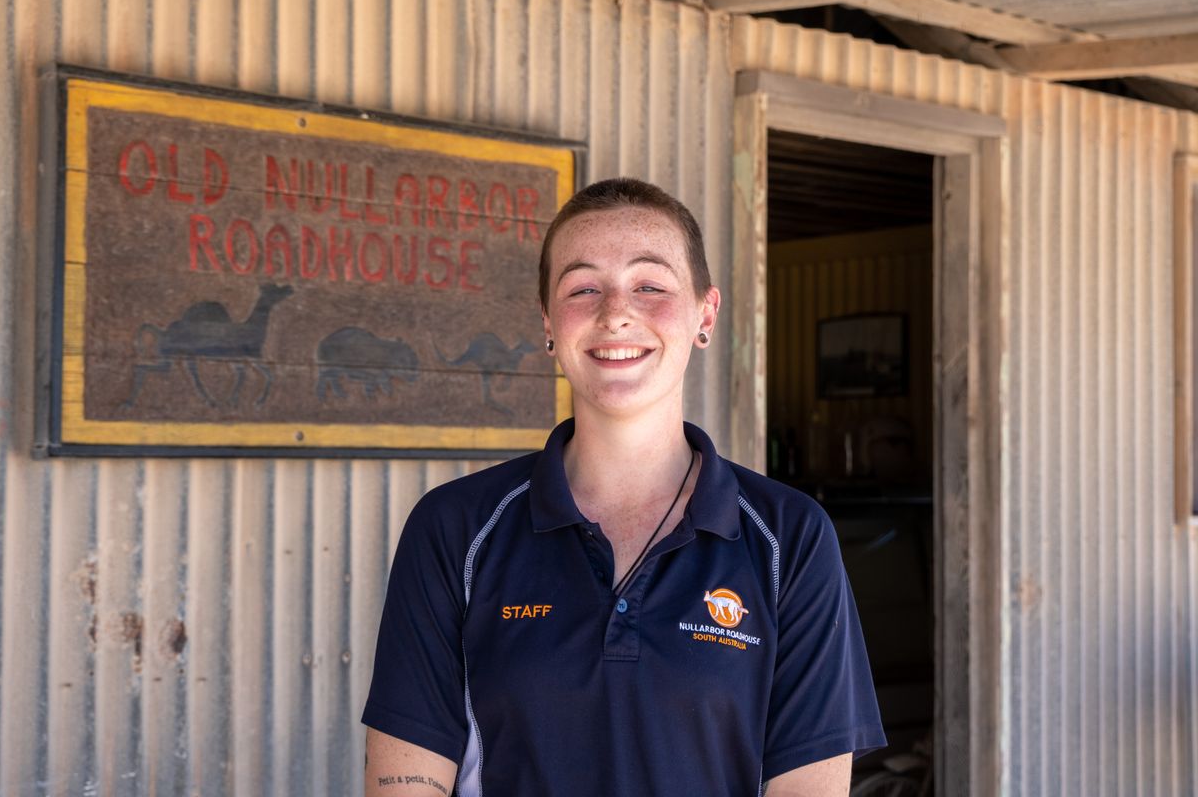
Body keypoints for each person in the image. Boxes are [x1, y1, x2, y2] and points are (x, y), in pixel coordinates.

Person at [361, 178, 885, 796]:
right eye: (584, 288)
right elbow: (405, 781)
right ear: (550, 324)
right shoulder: (455, 528)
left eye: (650, 285)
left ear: (704, 315)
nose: (616, 312)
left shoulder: (788, 539)